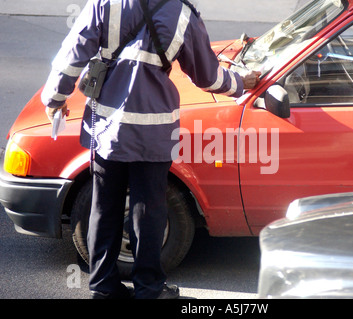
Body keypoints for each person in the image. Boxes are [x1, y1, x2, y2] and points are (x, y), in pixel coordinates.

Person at [41, 0, 261, 299]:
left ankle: (103, 289)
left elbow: (74, 51)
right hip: (153, 132)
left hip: (108, 129)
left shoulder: (106, 3)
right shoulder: (182, 13)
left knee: (104, 209)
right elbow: (207, 76)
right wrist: (241, 82)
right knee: (149, 211)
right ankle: (149, 290)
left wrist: (55, 97)